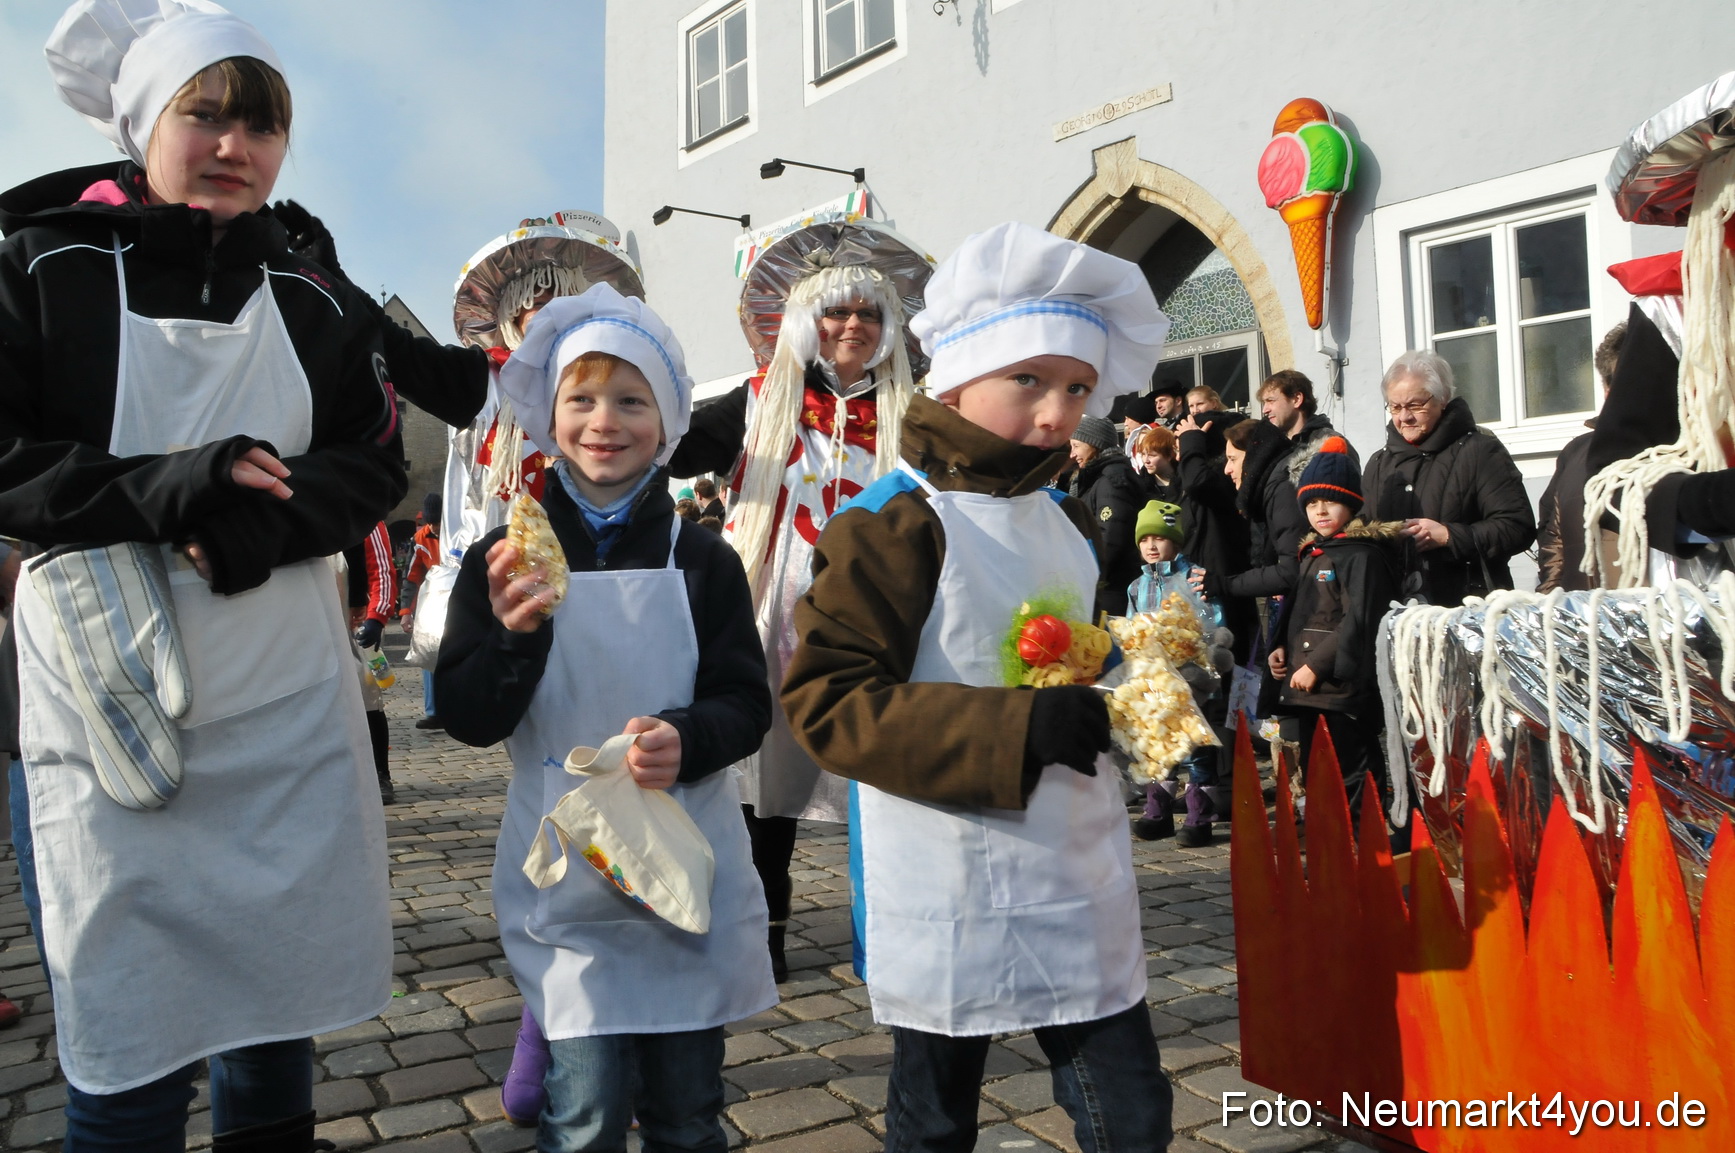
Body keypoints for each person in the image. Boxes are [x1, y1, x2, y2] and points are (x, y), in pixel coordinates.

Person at [3, 2, 405, 1145]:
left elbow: (372, 461)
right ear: (145, 126)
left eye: (262, 126)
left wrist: (258, 527)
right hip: (112, 705)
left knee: (274, 1024)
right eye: (208, 116)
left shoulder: (318, 295)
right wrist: (171, 487)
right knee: (126, 1041)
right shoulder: (43, 266)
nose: (236, 147)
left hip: (282, 701)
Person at [782, 221, 1174, 1153]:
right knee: (934, 1115)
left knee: (1129, 1110)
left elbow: (1078, 649)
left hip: (1072, 864)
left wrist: (1134, 681)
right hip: (945, 865)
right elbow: (828, 704)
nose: (1054, 414)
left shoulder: (1064, 517)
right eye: (1028, 382)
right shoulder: (891, 522)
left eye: (1076, 388)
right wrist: (1019, 728)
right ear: (955, 378)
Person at [437, 285, 777, 1148]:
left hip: (683, 872)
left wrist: (687, 737)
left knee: (686, 1111)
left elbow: (745, 702)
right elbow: (469, 715)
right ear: (550, 417)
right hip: (565, 882)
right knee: (582, 1111)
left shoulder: (703, 560)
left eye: (632, 401)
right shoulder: (501, 556)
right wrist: (513, 636)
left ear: (664, 424)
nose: (605, 421)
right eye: (581, 399)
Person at [666, 218, 932, 982]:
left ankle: (887, 934)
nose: (852, 325)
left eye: (869, 313)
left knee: (883, 783)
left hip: (878, 624)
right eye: (836, 311)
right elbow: (667, 441)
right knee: (763, 794)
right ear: (805, 322)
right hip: (769, 622)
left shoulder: (913, 414)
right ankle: (765, 932)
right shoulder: (760, 400)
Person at [1269, 439, 1401, 822]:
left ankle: (1363, 850)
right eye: (1311, 503)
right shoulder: (1314, 553)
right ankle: (1333, 853)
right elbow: (1301, 611)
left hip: (1341, 689)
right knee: (1318, 773)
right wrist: (1280, 649)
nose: (1320, 511)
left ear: (1352, 504)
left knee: (1353, 772)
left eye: (1330, 501)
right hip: (1308, 689)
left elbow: (1357, 620)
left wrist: (1317, 666)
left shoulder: (1361, 556)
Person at [1360, 350, 1535, 606]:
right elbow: (1363, 534)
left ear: (1442, 399)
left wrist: (1447, 536)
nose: (1403, 417)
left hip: (1468, 614)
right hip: (1398, 615)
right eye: (1395, 407)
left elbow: (1517, 527)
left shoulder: (1480, 451)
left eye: (1415, 405)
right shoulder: (1379, 464)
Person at [1127, 501, 1223, 847]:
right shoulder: (1136, 586)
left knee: (1196, 747)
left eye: (1160, 538)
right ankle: (1158, 813)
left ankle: (1200, 817)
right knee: (1160, 746)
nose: (1151, 546)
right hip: (1154, 680)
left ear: (1176, 541)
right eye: (1144, 539)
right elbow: (1131, 628)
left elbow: (1213, 623)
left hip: (1192, 677)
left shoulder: (1193, 576)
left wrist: (1204, 659)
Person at [1536, 323, 1623, 592]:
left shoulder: (1692, 451)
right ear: (1608, 389)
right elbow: (1553, 538)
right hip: (1584, 624)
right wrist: (1551, 601)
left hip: (1662, 623)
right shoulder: (1575, 453)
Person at [1067, 413, 1146, 618]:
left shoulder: (1111, 479)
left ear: (1093, 444)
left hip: (1112, 586)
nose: (1071, 454)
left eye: (1076, 446)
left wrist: (1089, 574)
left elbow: (1111, 535)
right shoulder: (1098, 476)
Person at [347, 521, 400, 802]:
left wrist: (377, 617)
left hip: (355, 622)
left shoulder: (365, 517)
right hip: (313, 621)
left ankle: (380, 774)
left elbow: (382, 569)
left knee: (368, 700)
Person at [1257, 369, 1355, 480]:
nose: (1265, 410)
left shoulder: (1331, 443)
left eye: (1271, 401)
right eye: (1264, 403)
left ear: (1296, 399)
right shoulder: (1272, 447)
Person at [402, 494, 444, 727]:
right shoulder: (420, 538)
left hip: (462, 598)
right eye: (432, 523)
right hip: (434, 601)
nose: (435, 528)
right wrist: (406, 610)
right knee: (429, 652)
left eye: (438, 523)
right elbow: (411, 577)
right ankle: (434, 711)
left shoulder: (460, 533)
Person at [1130, 424, 1183, 504]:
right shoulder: (1139, 487)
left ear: (1169, 455)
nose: (1146, 460)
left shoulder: (1186, 482)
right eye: (1143, 454)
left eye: (1152, 455)